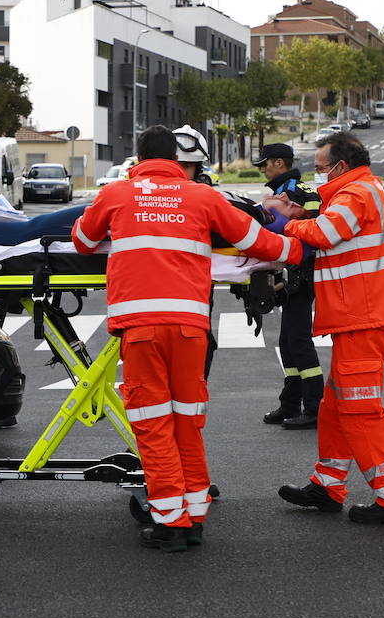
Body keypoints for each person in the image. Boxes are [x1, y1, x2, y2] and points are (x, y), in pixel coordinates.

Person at [72, 125, 304, 552]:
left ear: (139, 158)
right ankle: (193, 515)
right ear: (181, 161)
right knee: (186, 423)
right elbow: (256, 240)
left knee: (153, 425)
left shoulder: (116, 194)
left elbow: (83, 242)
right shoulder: (204, 197)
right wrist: (297, 251)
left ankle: (170, 524)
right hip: (190, 328)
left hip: (141, 329)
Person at [263, 131, 384, 525]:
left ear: (340, 167)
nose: (317, 177)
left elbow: (325, 234)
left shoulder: (355, 194)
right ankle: (327, 485)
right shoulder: (361, 190)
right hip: (364, 315)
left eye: (320, 170)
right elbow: (331, 226)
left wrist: (284, 222)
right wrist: (303, 216)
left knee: (360, 409)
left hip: (365, 316)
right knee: (335, 407)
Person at [252, 141, 323, 430]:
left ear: (280, 163)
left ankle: (314, 407)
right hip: (293, 275)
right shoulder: (290, 192)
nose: (263, 170)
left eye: (265, 164)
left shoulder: (294, 193)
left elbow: (315, 233)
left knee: (298, 341)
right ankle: (290, 403)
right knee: (287, 342)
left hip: (301, 276)